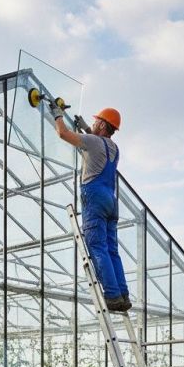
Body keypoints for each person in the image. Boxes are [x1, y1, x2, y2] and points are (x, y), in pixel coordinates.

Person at [50, 102, 130, 312]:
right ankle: (122, 294)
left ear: (103, 125)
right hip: (111, 201)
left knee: (97, 246)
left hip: (94, 197)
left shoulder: (93, 142)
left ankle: (112, 296)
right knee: (112, 249)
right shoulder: (114, 148)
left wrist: (57, 114)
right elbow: (96, 141)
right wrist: (86, 127)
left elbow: (63, 134)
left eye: (96, 122)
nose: (93, 124)